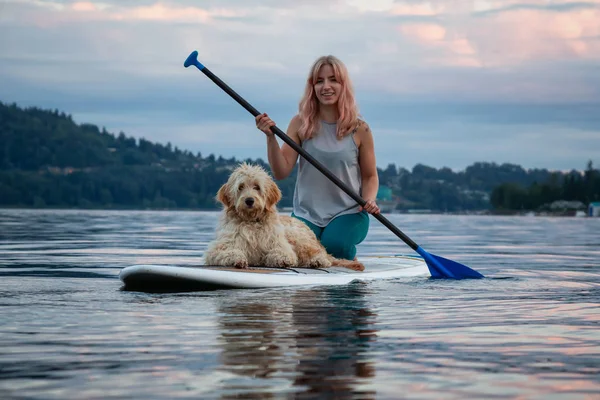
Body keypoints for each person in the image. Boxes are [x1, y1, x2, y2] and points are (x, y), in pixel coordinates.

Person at [255, 55, 379, 261]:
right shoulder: (300, 123)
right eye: (319, 81)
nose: (326, 86)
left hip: (348, 213)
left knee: (333, 245)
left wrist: (370, 199)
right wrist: (270, 138)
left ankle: (349, 261)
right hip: (306, 215)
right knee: (296, 251)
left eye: (333, 80)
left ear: (343, 85)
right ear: (312, 87)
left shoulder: (360, 129)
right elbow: (281, 171)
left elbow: (370, 176)